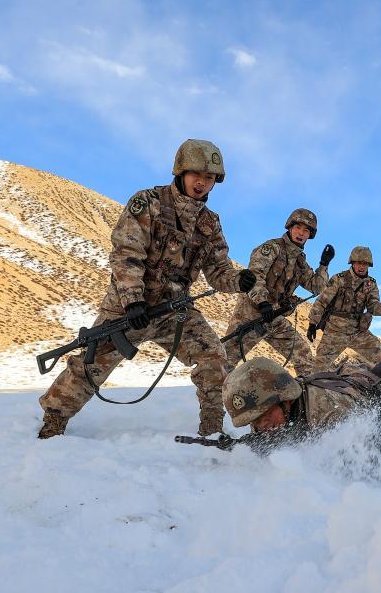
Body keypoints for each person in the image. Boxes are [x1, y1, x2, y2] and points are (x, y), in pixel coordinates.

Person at [37, 139, 257, 438]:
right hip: (130, 307)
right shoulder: (149, 202)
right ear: (181, 171)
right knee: (92, 362)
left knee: (214, 357)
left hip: (174, 309)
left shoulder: (210, 224)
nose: (202, 183)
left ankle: (212, 427)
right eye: (197, 175)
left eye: (210, 178)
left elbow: (218, 272)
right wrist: (133, 301)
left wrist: (237, 281)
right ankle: (54, 418)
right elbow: (127, 253)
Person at [221, 352, 381, 454]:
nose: (262, 426)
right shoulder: (274, 408)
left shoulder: (331, 414)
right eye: (255, 422)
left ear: (286, 401)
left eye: (265, 416)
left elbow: (351, 472)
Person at [221, 208, 334, 376]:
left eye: (306, 230)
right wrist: (263, 303)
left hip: (275, 317)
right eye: (298, 227)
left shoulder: (300, 262)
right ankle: (210, 400)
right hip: (251, 314)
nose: (301, 233)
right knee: (224, 363)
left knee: (304, 356)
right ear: (290, 227)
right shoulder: (271, 248)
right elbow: (255, 276)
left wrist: (324, 265)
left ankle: (305, 399)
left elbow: (316, 287)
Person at [307, 246, 381, 369]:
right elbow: (322, 301)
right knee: (318, 368)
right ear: (352, 263)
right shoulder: (339, 279)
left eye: (365, 263)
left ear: (369, 265)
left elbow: (373, 307)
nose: (361, 266)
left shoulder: (371, 284)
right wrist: (312, 324)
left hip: (358, 330)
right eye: (358, 263)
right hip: (334, 331)